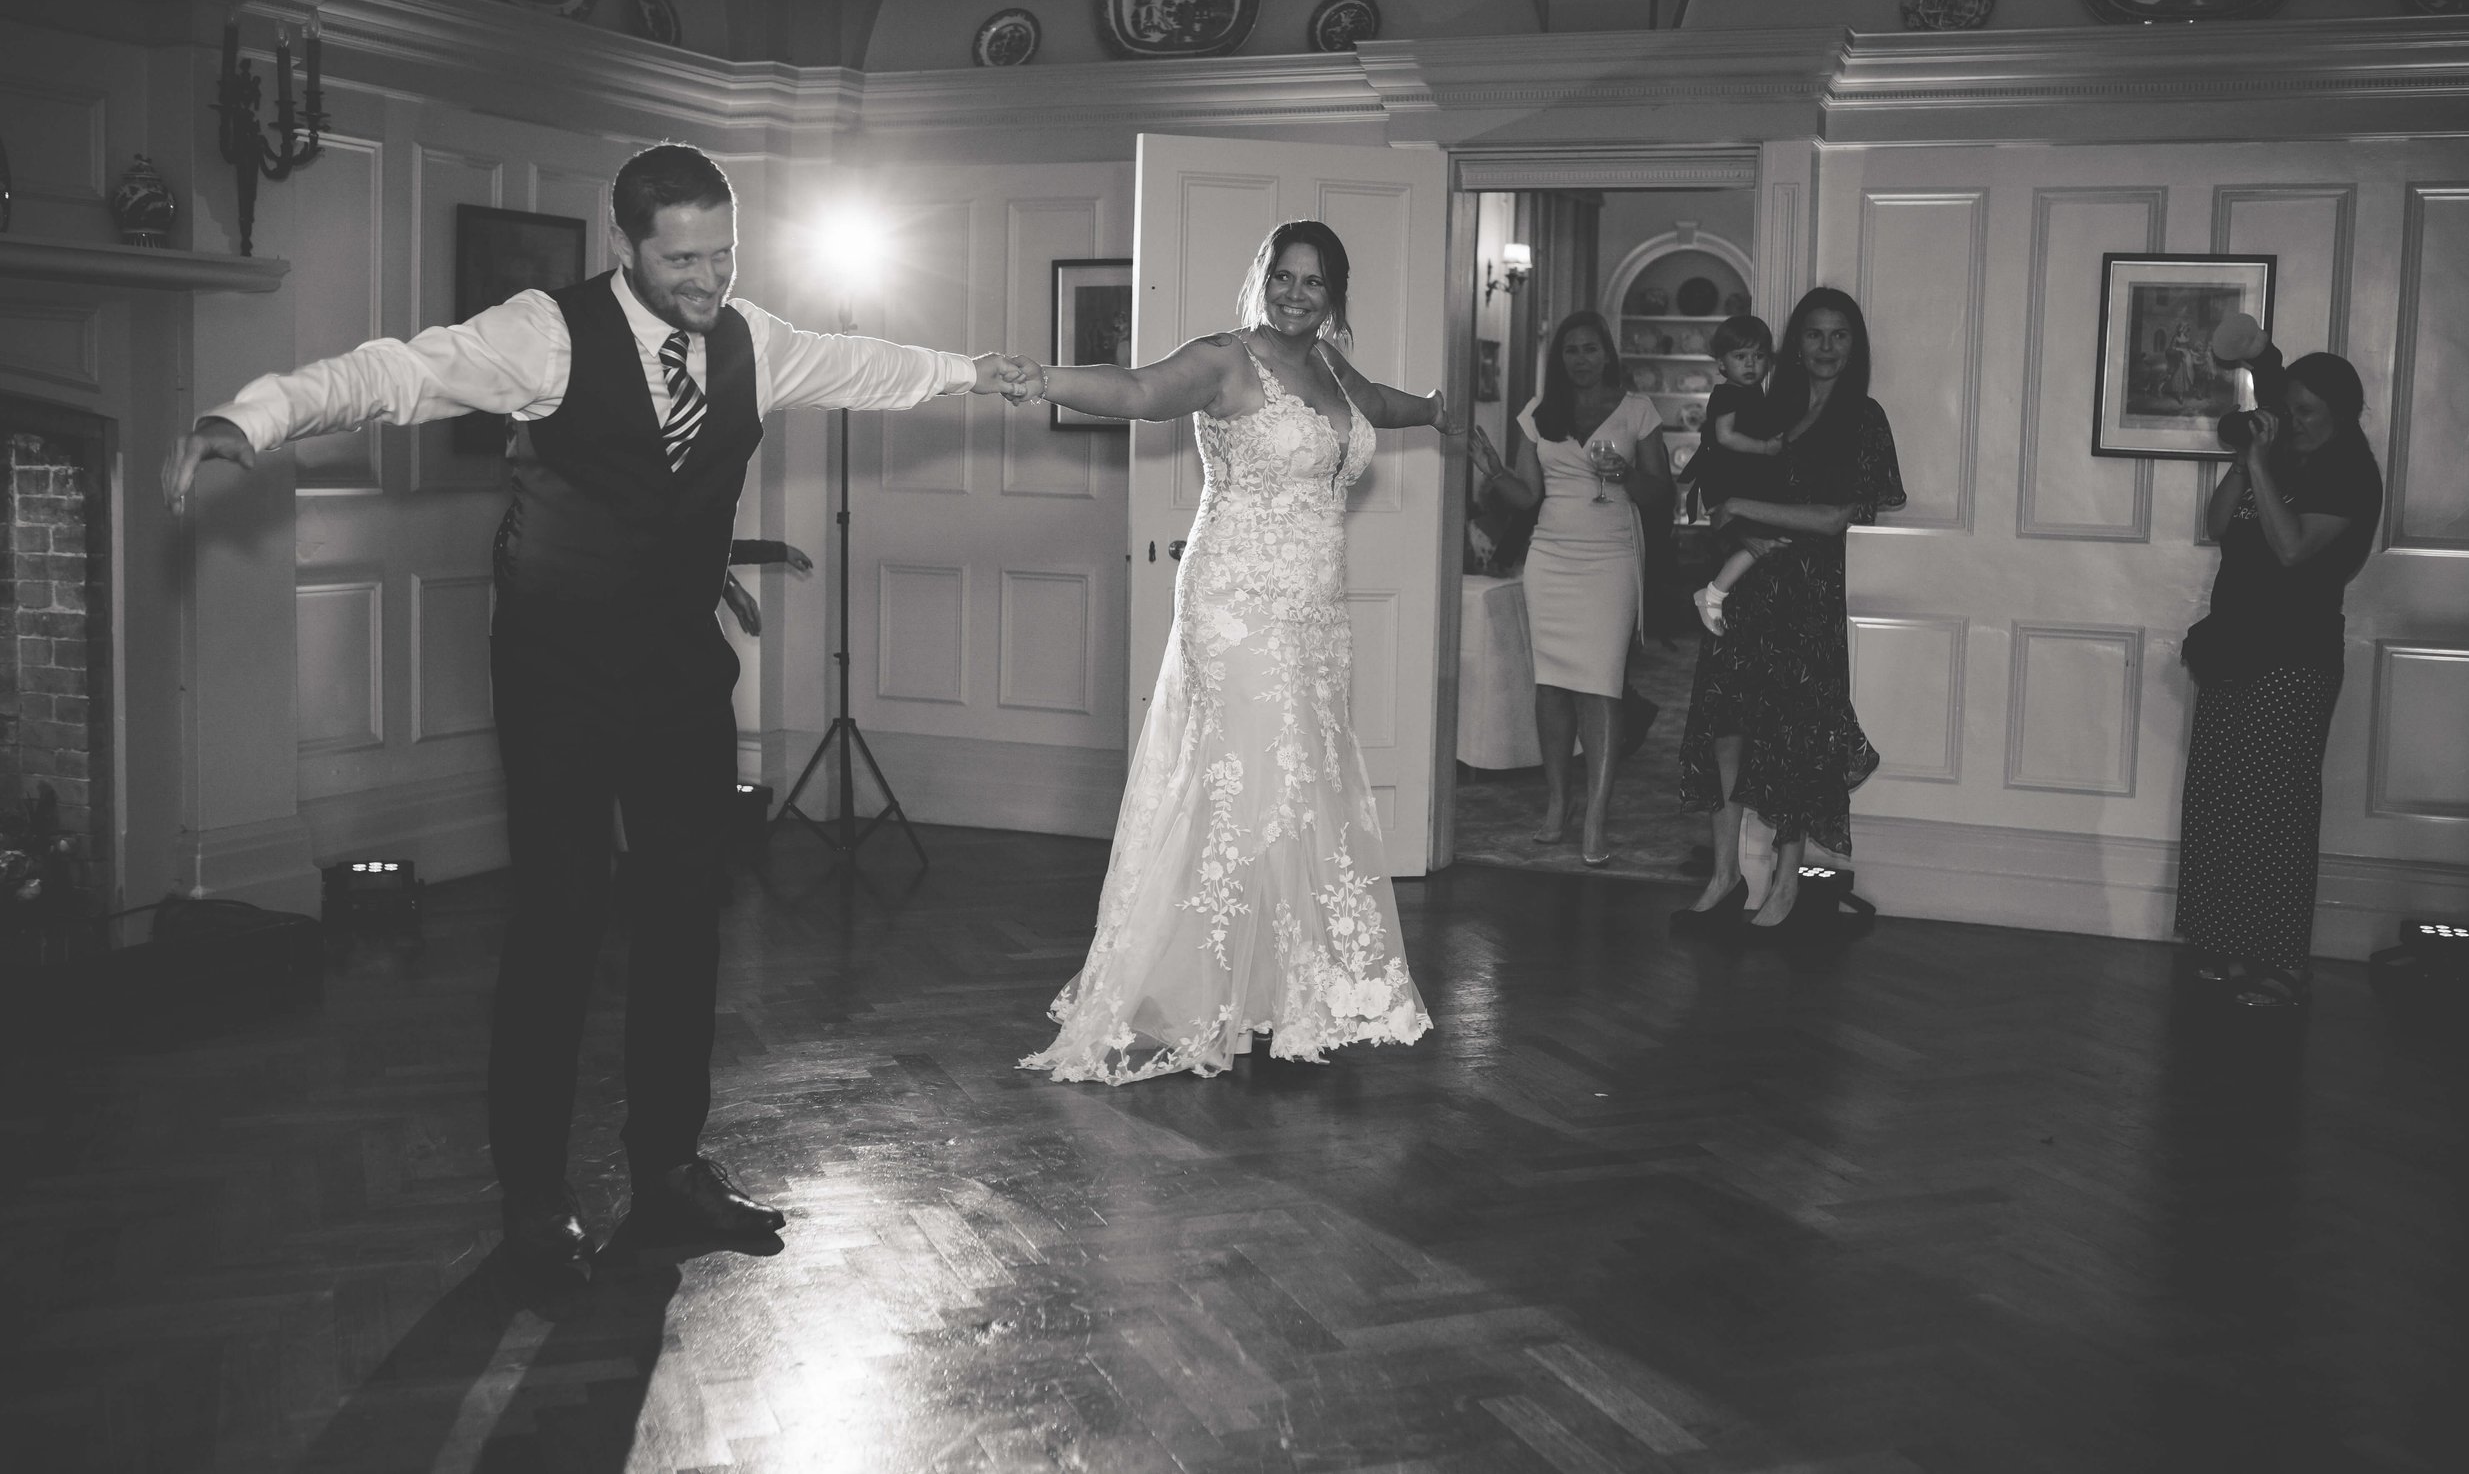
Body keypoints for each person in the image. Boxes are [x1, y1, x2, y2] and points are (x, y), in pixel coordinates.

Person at [162, 143, 1026, 1265]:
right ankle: (532, 1196)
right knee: (559, 922)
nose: (708, 281)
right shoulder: (545, 331)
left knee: (682, 915)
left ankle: (668, 1165)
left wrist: (973, 371)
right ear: (624, 244)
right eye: (682, 261)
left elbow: (865, 364)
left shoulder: (753, 337)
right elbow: (394, 373)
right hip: (557, 671)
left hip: (677, 672)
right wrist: (257, 413)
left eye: (723, 254)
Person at [1009, 220, 1450, 1083]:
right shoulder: (1226, 358)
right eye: (1283, 276)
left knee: (1297, 781)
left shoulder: (1327, 364)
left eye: (1314, 282)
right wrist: (1046, 378)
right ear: (1262, 278)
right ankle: (1210, 993)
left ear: (1335, 296)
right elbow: (1139, 389)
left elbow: (1380, 410)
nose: (1296, 293)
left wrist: (1436, 408)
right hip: (1237, 604)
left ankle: (1272, 988)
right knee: (1258, 780)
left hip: (1316, 612)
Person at [1677, 288, 1904, 930]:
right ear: (1794, 342)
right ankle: (1724, 876)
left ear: (1854, 344)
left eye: (1839, 335)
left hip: (1806, 596)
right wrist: (1734, 528)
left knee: (1795, 741)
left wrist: (1747, 510)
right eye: (1814, 334)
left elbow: (1834, 517)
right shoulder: (1763, 404)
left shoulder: (1864, 418)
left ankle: (1786, 882)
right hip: (1745, 590)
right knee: (1726, 729)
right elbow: (1714, 484)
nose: (1826, 348)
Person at [2174, 346, 2384, 1009]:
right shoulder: (2280, 460)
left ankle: (2284, 964)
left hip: (2293, 658)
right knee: (2222, 804)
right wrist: (2248, 459)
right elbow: (2215, 525)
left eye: (2307, 411)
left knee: (2276, 815)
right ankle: (2229, 946)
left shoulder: (2350, 473)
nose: (2293, 422)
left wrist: (2263, 465)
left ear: (2343, 413)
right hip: (2232, 646)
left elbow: (2292, 548)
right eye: (2286, 410)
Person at [1473, 312, 1671, 865]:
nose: (1580, 359)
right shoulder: (1538, 414)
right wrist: (1491, 469)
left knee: (1601, 685)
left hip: (1611, 559)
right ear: (1559, 359)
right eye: (1570, 351)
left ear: (1606, 354)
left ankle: (1598, 815)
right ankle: (1559, 804)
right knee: (1553, 684)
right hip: (1551, 558)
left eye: (1589, 349)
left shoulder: (1637, 411)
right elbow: (1526, 494)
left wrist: (1623, 477)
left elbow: (1661, 495)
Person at [1685, 313, 1789, 636]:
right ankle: (1713, 593)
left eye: (1758, 357)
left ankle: (1721, 593)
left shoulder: (1753, 395)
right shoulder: (1729, 395)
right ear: (1721, 363)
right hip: (1728, 481)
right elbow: (1725, 436)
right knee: (1755, 540)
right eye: (1740, 357)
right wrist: (1765, 448)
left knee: (1762, 539)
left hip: (1744, 481)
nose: (1750, 365)